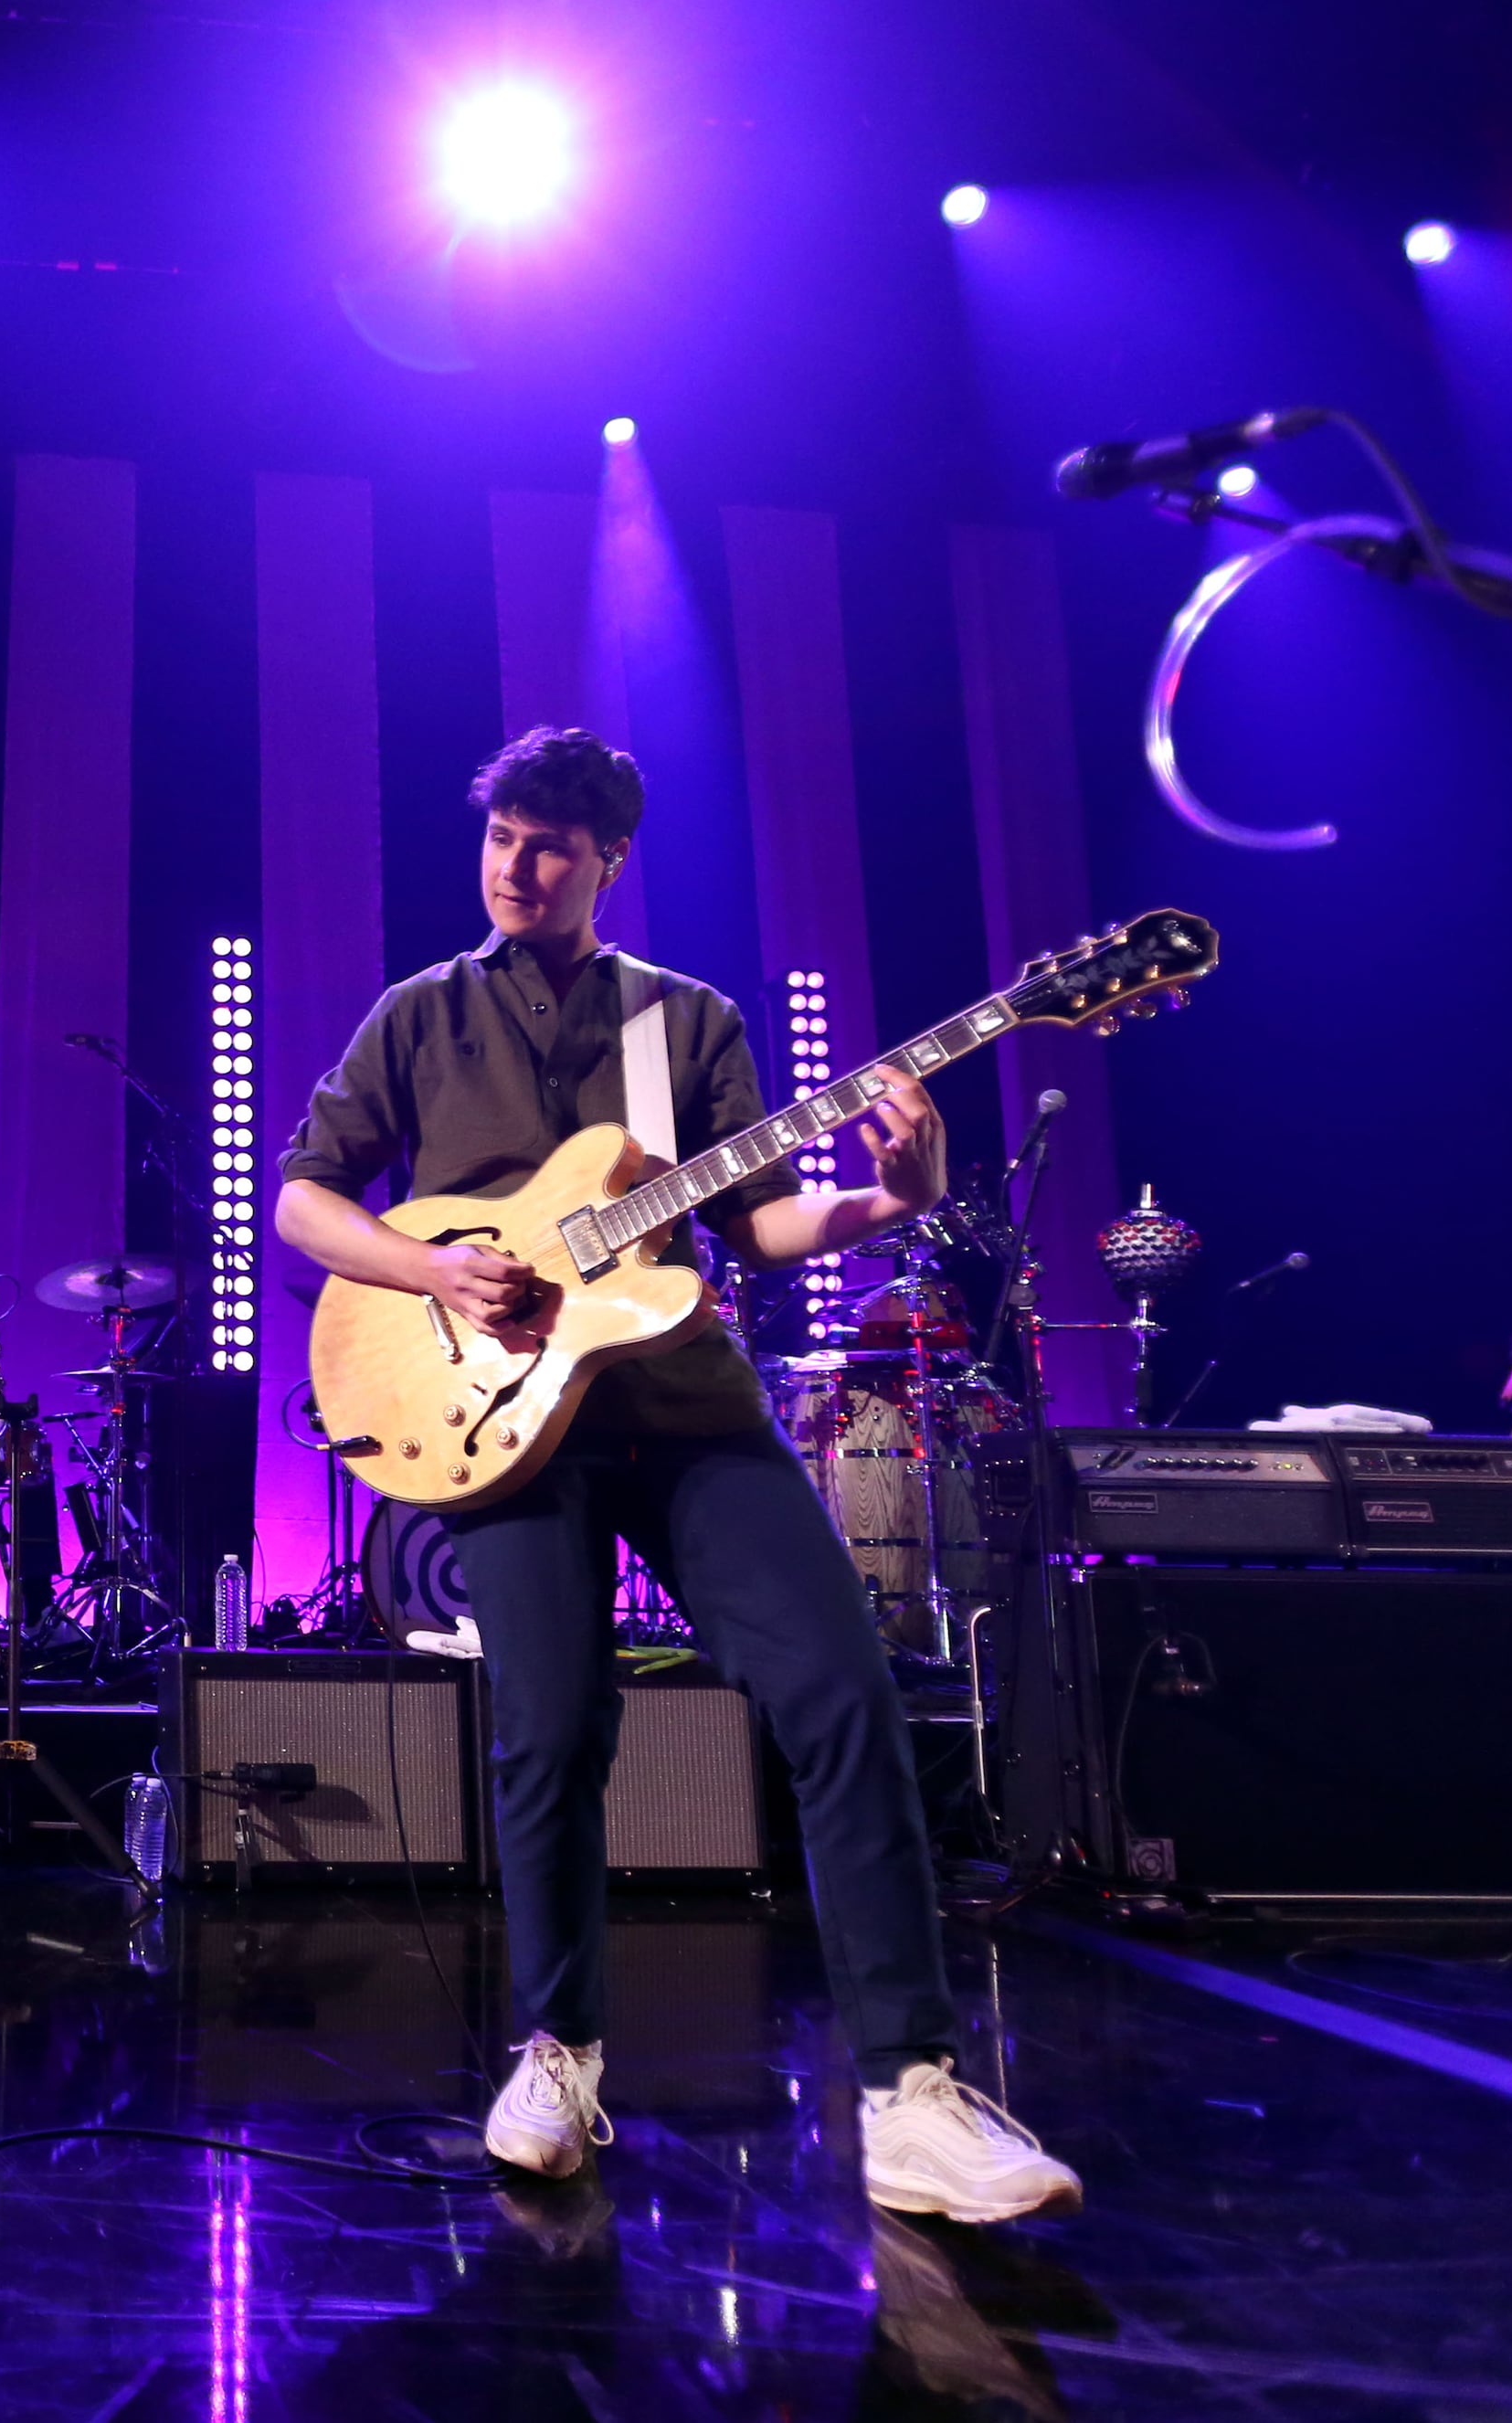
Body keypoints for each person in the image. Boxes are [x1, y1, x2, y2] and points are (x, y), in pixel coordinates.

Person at [272, 725, 1079, 2226]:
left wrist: (894, 1196)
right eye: (504, 835)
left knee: (841, 1688)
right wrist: (437, 1270)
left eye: (553, 846)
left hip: (686, 1409)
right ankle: (560, 2051)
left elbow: (761, 1227)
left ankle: (910, 2093)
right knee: (553, 1723)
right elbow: (307, 1201)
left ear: (611, 861)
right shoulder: (418, 1017)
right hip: (508, 1421)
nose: (520, 865)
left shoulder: (683, 1023)